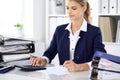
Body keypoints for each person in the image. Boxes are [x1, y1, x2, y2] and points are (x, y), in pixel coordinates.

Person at [30, 0, 106, 72]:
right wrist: (43, 59)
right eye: (67, 8)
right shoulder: (60, 30)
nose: (69, 12)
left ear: (84, 8)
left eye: (74, 8)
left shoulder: (94, 31)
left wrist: (79, 67)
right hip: (63, 76)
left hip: (84, 76)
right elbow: (50, 52)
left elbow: (101, 58)